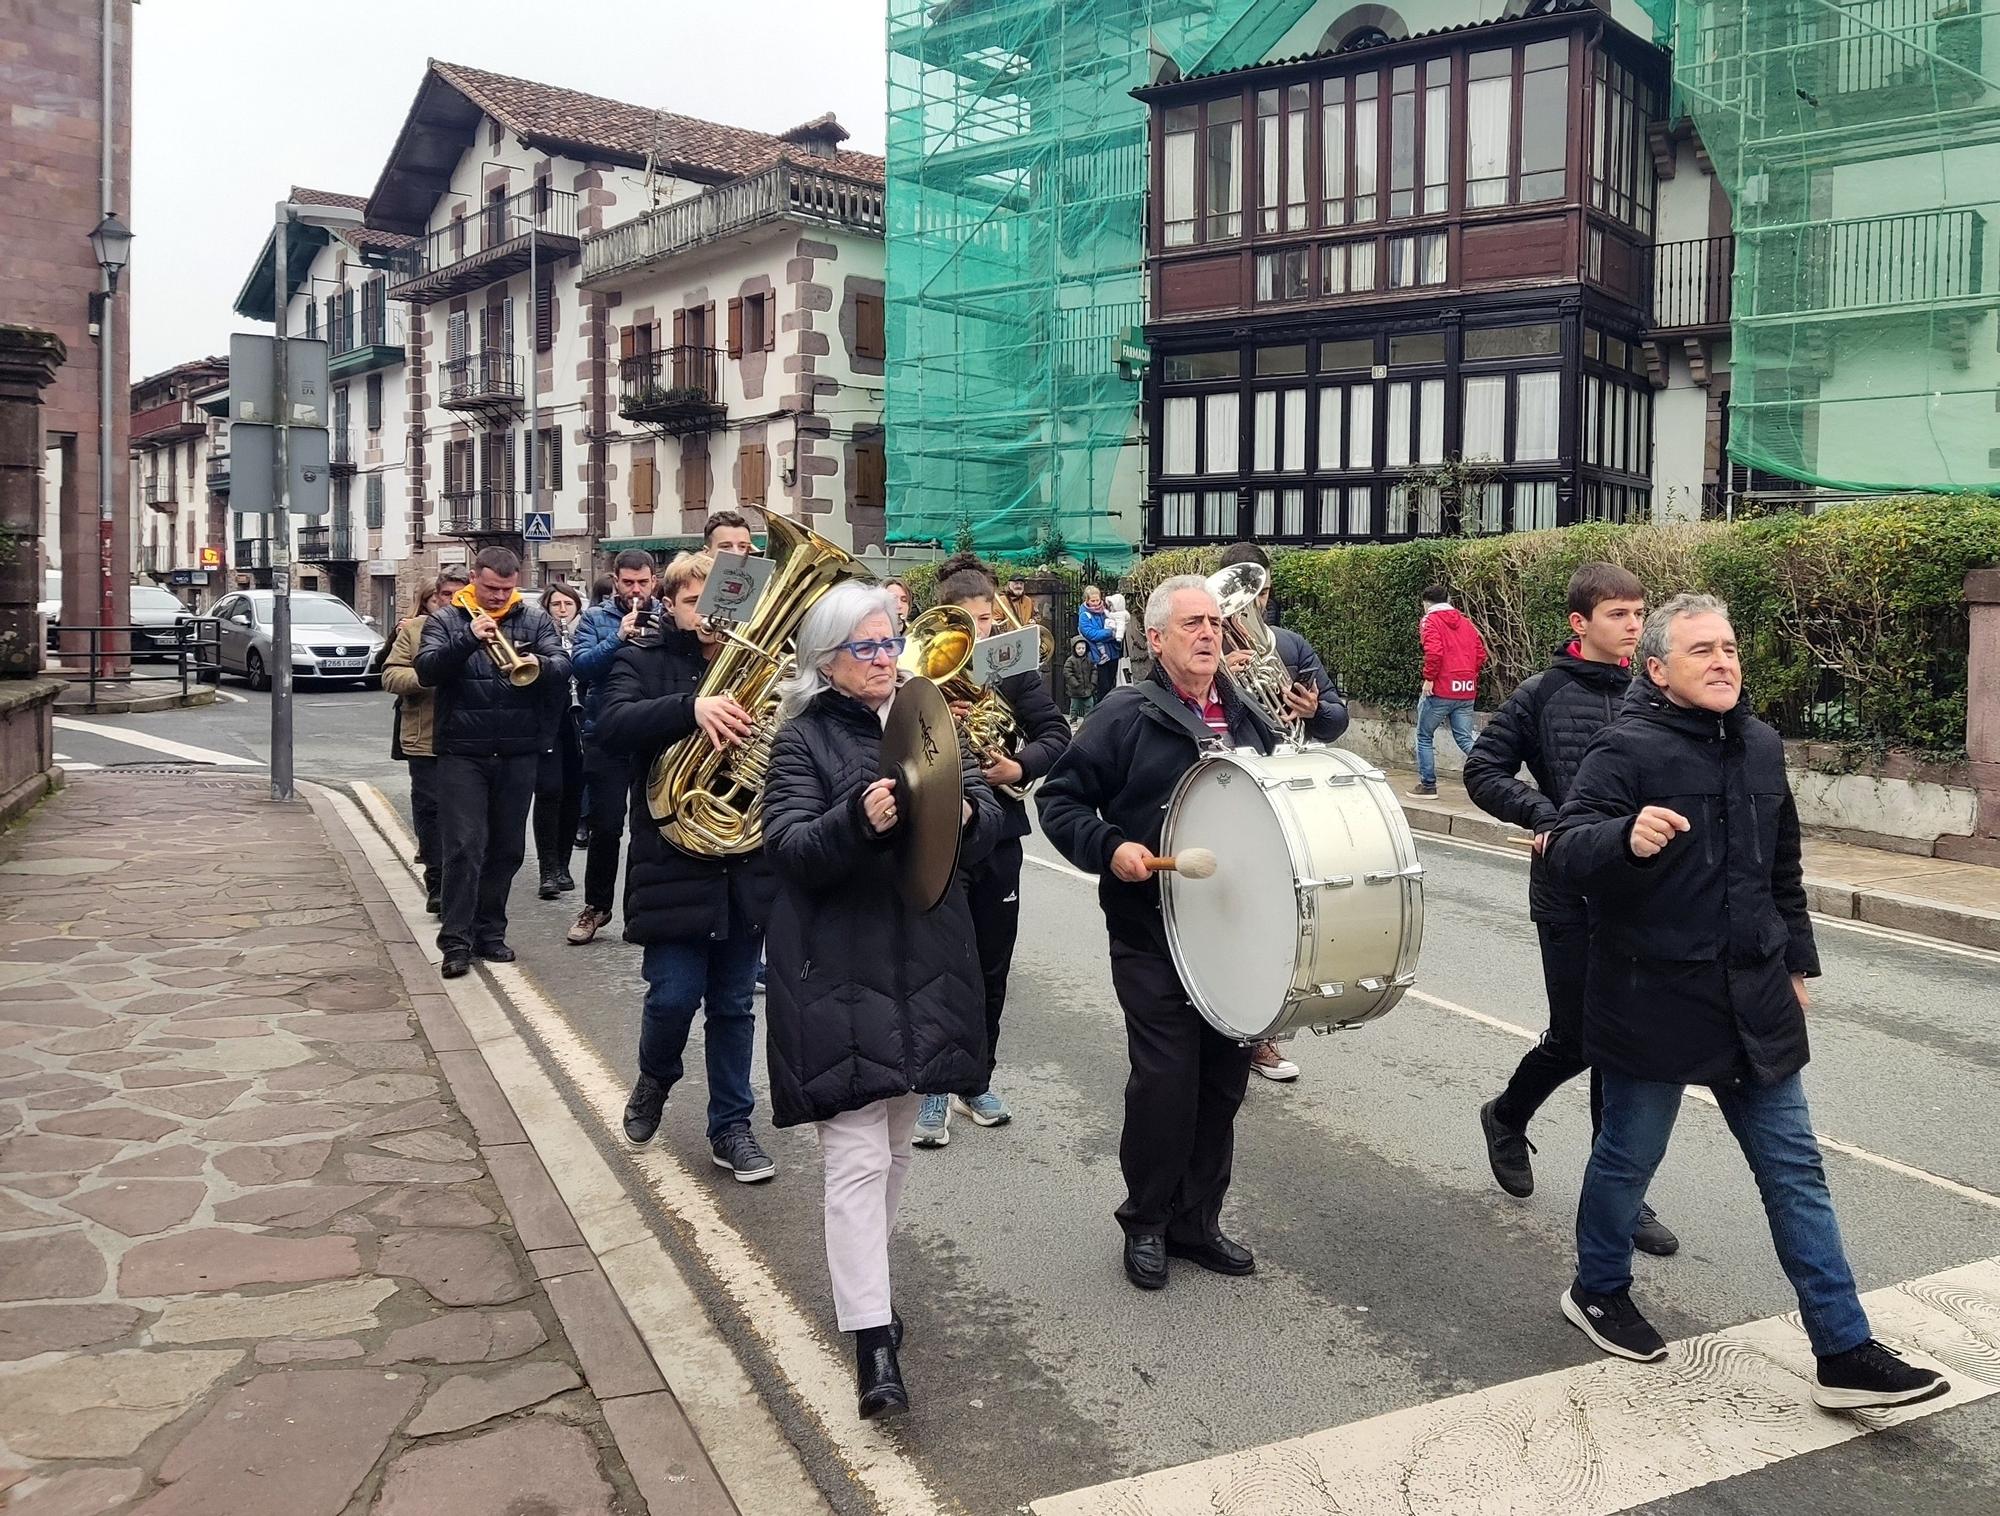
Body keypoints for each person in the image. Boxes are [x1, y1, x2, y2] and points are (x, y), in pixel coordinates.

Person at [1547, 594, 1947, 1410]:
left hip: (1754, 992)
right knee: (1628, 1157)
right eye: (1703, 651)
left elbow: (1782, 871)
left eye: (1730, 647)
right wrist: (1624, 839)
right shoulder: (1623, 748)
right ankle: (1598, 1287)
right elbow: (1567, 849)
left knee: (1796, 1169)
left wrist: (1797, 965)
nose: (1724, 661)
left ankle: (1843, 1348)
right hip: (1652, 993)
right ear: (1657, 670)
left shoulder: (1761, 746)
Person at [762, 581, 1000, 1420]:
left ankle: (873, 1290)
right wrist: (857, 821)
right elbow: (789, 848)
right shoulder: (800, 739)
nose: (884, 658)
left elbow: (992, 821)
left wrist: (969, 812)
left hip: (923, 958)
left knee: (897, 1142)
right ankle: (872, 1342)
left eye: (887, 642)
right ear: (827, 661)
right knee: (856, 1157)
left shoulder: (925, 718)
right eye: (865, 647)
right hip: (840, 967)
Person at [1038, 576, 1275, 1293]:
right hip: (1153, 931)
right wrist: (1110, 846)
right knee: (1166, 1084)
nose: (1210, 633)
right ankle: (1145, 1221)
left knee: (1222, 1086)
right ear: (1158, 638)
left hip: (1233, 934)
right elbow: (1060, 800)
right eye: (1193, 623)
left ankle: (1196, 1223)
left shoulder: (1247, 711)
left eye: (1215, 622)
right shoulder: (1125, 714)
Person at [1463, 563, 1677, 1258]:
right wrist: (1544, 814)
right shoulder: (1542, 693)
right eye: (1619, 614)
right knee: (1580, 1037)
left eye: (1640, 613)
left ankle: (1618, 1194)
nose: (1634, 626)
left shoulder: (1658, 691)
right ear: (1580, 624)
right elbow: (1484, 771)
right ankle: (1507, 1114)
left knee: (1623, 1045)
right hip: (1567, 891)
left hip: (1641, 892)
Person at [593, 552, 777, 1181]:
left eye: (723, 599)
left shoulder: (766, 669)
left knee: (733, 1004)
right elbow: (610, 725)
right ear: (671, 604)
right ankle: (655, 1077)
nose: (710, 613)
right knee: (673, 997)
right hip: (672, 859)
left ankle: (732, 1127)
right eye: (695, 600)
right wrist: (690, 709)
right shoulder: (641, 660)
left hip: (740, 862)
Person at [910, 555, 1072, 1147]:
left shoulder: (1011, 670)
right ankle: (932, 1082)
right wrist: (933, 721)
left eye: (987, 618)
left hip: (999, 832)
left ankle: (975, 1078)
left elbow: (1056, 734)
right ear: (941, 620)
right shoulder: (916, 673)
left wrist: (1017, 765)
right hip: (934, 834)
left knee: (991, 968)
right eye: (968, 620)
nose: (981, 630)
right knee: (936, 964)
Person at [1213, 542, 1351, 1083]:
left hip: (1284, 787)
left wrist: (1317, 710)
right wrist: (1222, 671)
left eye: (1264, 592)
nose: (1258, 603)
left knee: (1282, 911)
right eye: (1249, 593)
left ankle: (1263, 1035)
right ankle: (1228, 1024)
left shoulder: (1290, 645)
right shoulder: (1202, 639)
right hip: (1226, 791)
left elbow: (1334, 717)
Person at [416, 546, 570, 979]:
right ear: (473, 580)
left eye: (507, 588)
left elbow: (563, 663)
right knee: (464, 848)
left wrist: (539, 660)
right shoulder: (448, 618)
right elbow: (426, 669)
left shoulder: (534, 618)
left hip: (518, 750)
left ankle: (490, 933)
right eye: (490, 588)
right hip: (462, 752)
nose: (500, 596)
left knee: (506, 849)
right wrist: (470, 637)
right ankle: (456, 942)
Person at [568, 550, 662, 945]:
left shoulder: (668, 615)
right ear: (615, 581)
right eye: (628, 583)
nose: (635, 590)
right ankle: (596, 907)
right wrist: (618, 636)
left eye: (642, 582)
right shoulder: (595, 618)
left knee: (648, 826)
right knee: (606, 827)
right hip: (605, 732)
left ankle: (638, 912)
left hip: (651, 731)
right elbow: (582, 666)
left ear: (653, 581)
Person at [382, 576, 454, 916]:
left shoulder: (486, 627)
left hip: (475, 737)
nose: (452, 601)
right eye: (446, 595)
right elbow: (390, 676)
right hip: (425, 736)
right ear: (434, 598)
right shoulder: (414, 631)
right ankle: (437, 881)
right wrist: (426, 675)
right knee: (431, 810)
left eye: (460, 594)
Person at [533, 583, 587, 900]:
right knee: (550, 791)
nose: (562, 609)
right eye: (556, 604)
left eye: (568, 603)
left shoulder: (584, 633)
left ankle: (563, 865)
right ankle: (547, 868)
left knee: (573, 793)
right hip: (549, 720)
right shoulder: (541, 635)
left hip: (577, 721)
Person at [1410, 584, 1487, 799]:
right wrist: (1466, 675)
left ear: (1425, 602)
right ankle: (1493, 771)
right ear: (1449, 599)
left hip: (1441, 688)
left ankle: (1428, 785)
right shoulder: (1465, 622)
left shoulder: (1429, 621)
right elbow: (1480, 654)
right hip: (1466, 689)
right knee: (1464, 738)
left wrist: (1429, 679)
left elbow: (1434, 652)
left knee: (1424, 736)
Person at [1077, 584, 1121, 707]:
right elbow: (1092, 634)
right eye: (1093, 601)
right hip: (1098, 656)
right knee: (1103, 686)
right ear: (1087, 600)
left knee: (1112, 684)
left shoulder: (1106, 611)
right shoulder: (1084, 616)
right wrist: (1109, 633)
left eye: (1098, 600)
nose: (1096, 603)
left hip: (1112, 653)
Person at [1063, 636, 1096, 721]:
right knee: (1074, 707)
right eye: (1078, 648)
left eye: (1083, 648)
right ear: (1074, 649)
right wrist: (1075, 683)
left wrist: (1093, 683)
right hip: (1075, 691)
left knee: (1089, 705)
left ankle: (1088, 720)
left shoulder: (1089, 660)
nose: (1081, 650)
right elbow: (1067, 673)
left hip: (1088, 688)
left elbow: (1094, 671)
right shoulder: (1070, 660)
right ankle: (1073, 719)